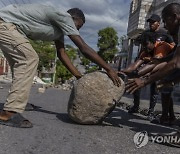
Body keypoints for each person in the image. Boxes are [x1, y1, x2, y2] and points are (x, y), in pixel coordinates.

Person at [0, 4, 121, 128]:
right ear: (73, 18)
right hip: (5, 24)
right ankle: (9, 113)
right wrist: (109, 69)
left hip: (9, 27)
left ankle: (17, 101)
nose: (77, 30)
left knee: (20, 65)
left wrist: (79, 77)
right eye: (78, 26)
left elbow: (62, 54)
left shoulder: (58, 32)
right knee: (29, 59)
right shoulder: (64, 17)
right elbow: (83, 48)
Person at [126, 3, 180, 126]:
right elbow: (174, 57)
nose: (166, 25)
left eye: (166, 21)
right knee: (165, 82)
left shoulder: (165, 39)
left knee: (162, 80)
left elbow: (176, 62)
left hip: (174, 63)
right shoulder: (149, 37)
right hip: (169, 61)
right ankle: (168, 117)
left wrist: (145, 80)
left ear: (175, 17)